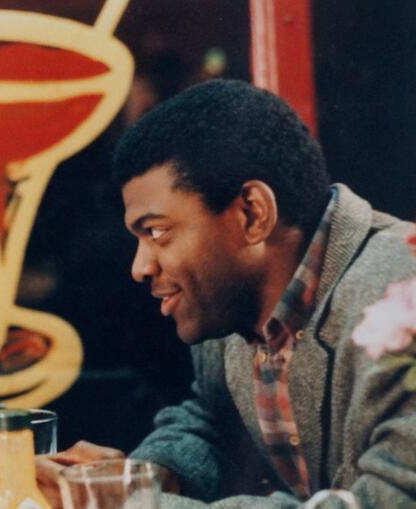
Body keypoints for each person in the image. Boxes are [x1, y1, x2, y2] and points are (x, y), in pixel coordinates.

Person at [37, 79, 416, 508]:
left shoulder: (404, 298)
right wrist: (139, 479)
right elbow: (213, 418)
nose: (140, 267)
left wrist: (131, 507)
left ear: (253, 214)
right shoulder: (231, 302)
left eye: (158, 232)